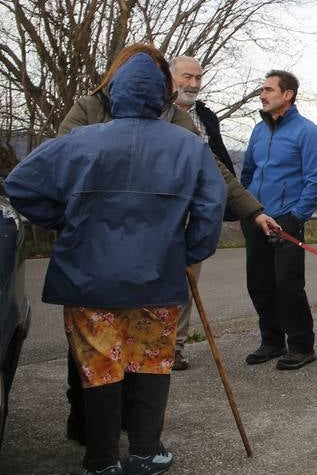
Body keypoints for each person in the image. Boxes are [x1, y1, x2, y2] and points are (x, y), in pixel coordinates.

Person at [6, 52, 226, 475]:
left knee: (100, 366)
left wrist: (66, 223)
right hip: (157, 277)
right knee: (151, 360)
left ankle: (102, 464)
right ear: (163, 96)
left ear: (114, 93)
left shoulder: (80, 141)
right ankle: (145, 454)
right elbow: (211, 207)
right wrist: (189, 250)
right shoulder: (188, 146)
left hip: (90, 278)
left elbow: (19, 185)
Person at [56, 43, 278, 443]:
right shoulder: (89, 109)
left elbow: (213, 174)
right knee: (92, 351)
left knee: (143, 348)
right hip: (95, 249)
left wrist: (252, 210)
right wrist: (70, 222)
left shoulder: (178, 119)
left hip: (155, 251)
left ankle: (135, 436)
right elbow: (59, 167)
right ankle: (90, 431)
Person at [239, 70, 317, 370]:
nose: (261, 95)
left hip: (286, 218)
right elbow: (248, 172)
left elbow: (315, 180)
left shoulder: (310, 132)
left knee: (287, 284)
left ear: (287, 94)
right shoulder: (258, 131)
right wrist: (248, 206)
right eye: (262, 90)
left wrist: (295, 217)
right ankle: (272, 342)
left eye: (268, 89)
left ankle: (302, 346)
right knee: (259, 283)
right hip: (257, 217)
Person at [168, 55, 237, 371]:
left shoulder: (207, 117)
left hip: (195, 213)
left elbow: (219, 161)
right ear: (171, 77)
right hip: (161, 209)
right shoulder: (156, 113)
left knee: (186, 282)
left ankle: (175, 347)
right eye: (187, 77)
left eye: (198, 77)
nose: (193, 84)